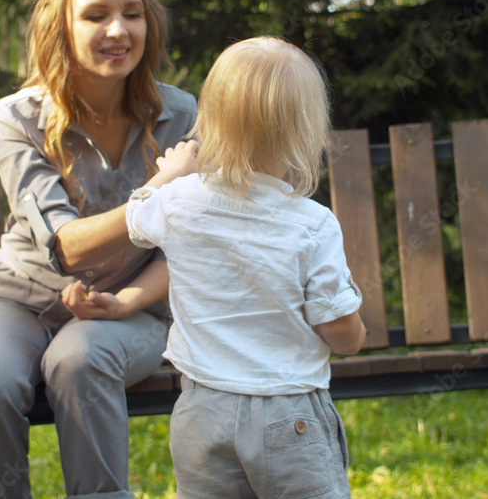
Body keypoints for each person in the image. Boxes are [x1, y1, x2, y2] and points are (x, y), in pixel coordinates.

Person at [0, 0, 197, 499]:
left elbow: (194, 246)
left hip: (130, 308)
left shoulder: (184, 116)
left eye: (131, 13)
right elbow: (67, 248)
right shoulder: (18, 118)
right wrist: (158, 185)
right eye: (95, 15)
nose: (118, 30)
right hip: (19, 298)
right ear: (60, 26)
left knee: (79, 360)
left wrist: (129, 300)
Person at [126, 36, 367, 498]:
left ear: (210, 122)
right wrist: (356, 336)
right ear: (306, 132)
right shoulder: (311, 223)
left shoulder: (179, 202)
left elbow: (135, 215)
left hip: (200, 409)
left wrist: (170, 173)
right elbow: (336, 326)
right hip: (287, 410)